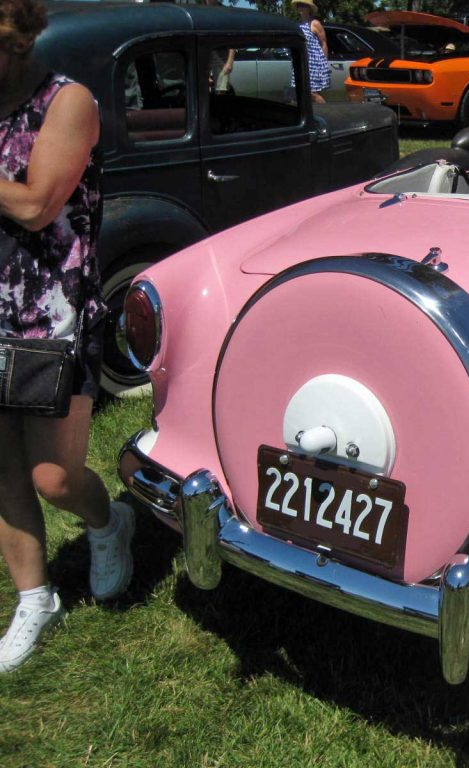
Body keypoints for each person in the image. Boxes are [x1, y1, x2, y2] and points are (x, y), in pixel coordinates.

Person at [0, 0, 134, 674]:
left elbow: (35, 202)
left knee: (52, 476)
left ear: (13, 42)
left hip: (48, 313)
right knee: (2, 469)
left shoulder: (66, 101)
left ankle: (109, 525)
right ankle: (35, 598)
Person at [291, 0, 330, 104]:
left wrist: (324, 64)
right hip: (302, 61)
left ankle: (327, 110)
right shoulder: (298, 25)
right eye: (298, 5)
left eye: (302, 5)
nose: (300, 8)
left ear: (309, 8)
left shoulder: (315, 23)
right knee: (301, 91)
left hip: (314, 63)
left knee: (312, 92)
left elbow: (323, 43)